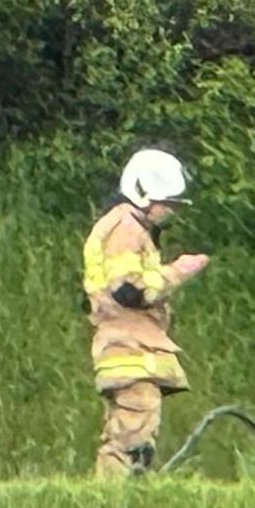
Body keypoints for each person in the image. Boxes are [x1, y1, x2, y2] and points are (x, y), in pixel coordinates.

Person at [85, 147, 210, 478]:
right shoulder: (125, 228)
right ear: (144, 195)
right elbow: (130, 290)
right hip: (128, 345)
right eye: (167, 204)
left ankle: (129, 490)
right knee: (133, 421)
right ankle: (113, 497)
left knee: (140, 420)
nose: (170, 211)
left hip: (134, 343)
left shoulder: (131, 227)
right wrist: (179, 271)